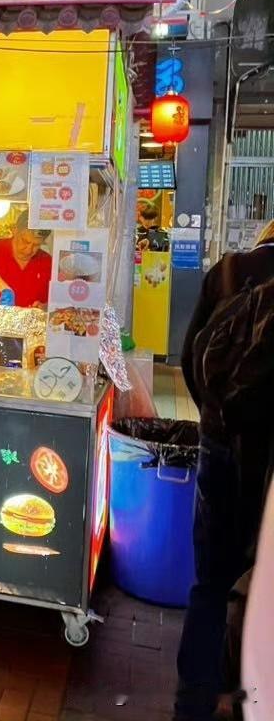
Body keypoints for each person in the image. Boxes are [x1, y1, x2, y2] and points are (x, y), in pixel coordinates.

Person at [175, 220, 274, 721]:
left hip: (221, 444)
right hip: (269, 463)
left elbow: (190, 359)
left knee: (211, 581)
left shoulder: (231, 270)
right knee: (263, 582)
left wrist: (217, 421)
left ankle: (193, 700)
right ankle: (251, 699)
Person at [0, 210, 52, 308]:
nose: (28, 250)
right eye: (24, 241)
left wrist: (44, 307)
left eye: (36, 245)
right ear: (15, 230)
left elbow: (52, 301)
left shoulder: (47, 261)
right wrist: (5, 289)